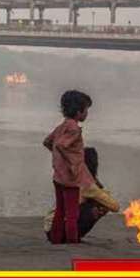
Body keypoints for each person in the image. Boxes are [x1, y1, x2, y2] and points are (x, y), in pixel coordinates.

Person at [43, 90, 95, 244]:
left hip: (58, 175)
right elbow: (61, 144)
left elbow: (48, 142)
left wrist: (58, 158)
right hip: (70, 178)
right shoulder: (74, 129)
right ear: (78, 111)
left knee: (60, 210)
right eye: (86, 110)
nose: (87, 113)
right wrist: (71, 161)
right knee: (72, 213)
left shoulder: (62, 126)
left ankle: (56, 239)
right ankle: (72, 241)